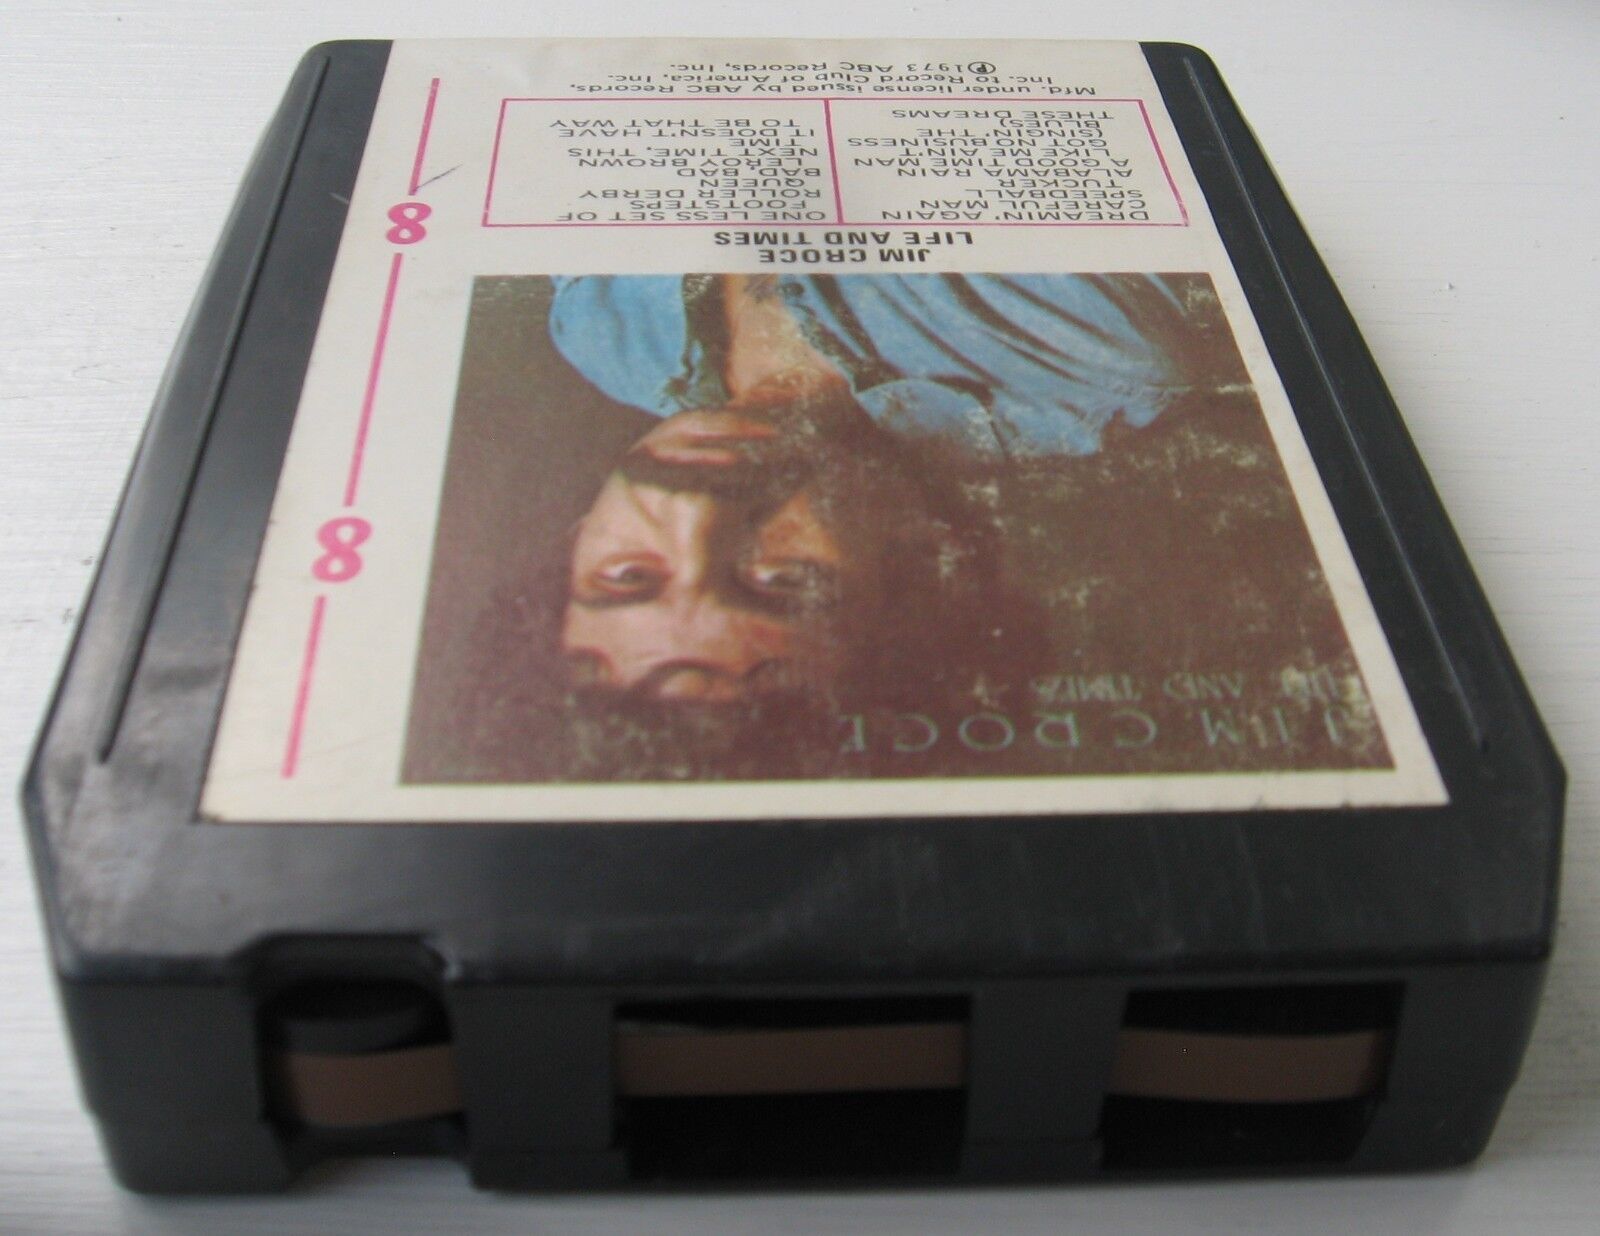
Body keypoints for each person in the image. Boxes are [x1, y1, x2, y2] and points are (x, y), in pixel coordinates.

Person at [547, 273, 1206, 704]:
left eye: (629, 574)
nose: (695, 508)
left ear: (580, 540)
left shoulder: (605, 338)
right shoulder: (1089, 358)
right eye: (781, 580)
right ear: (925, 562)